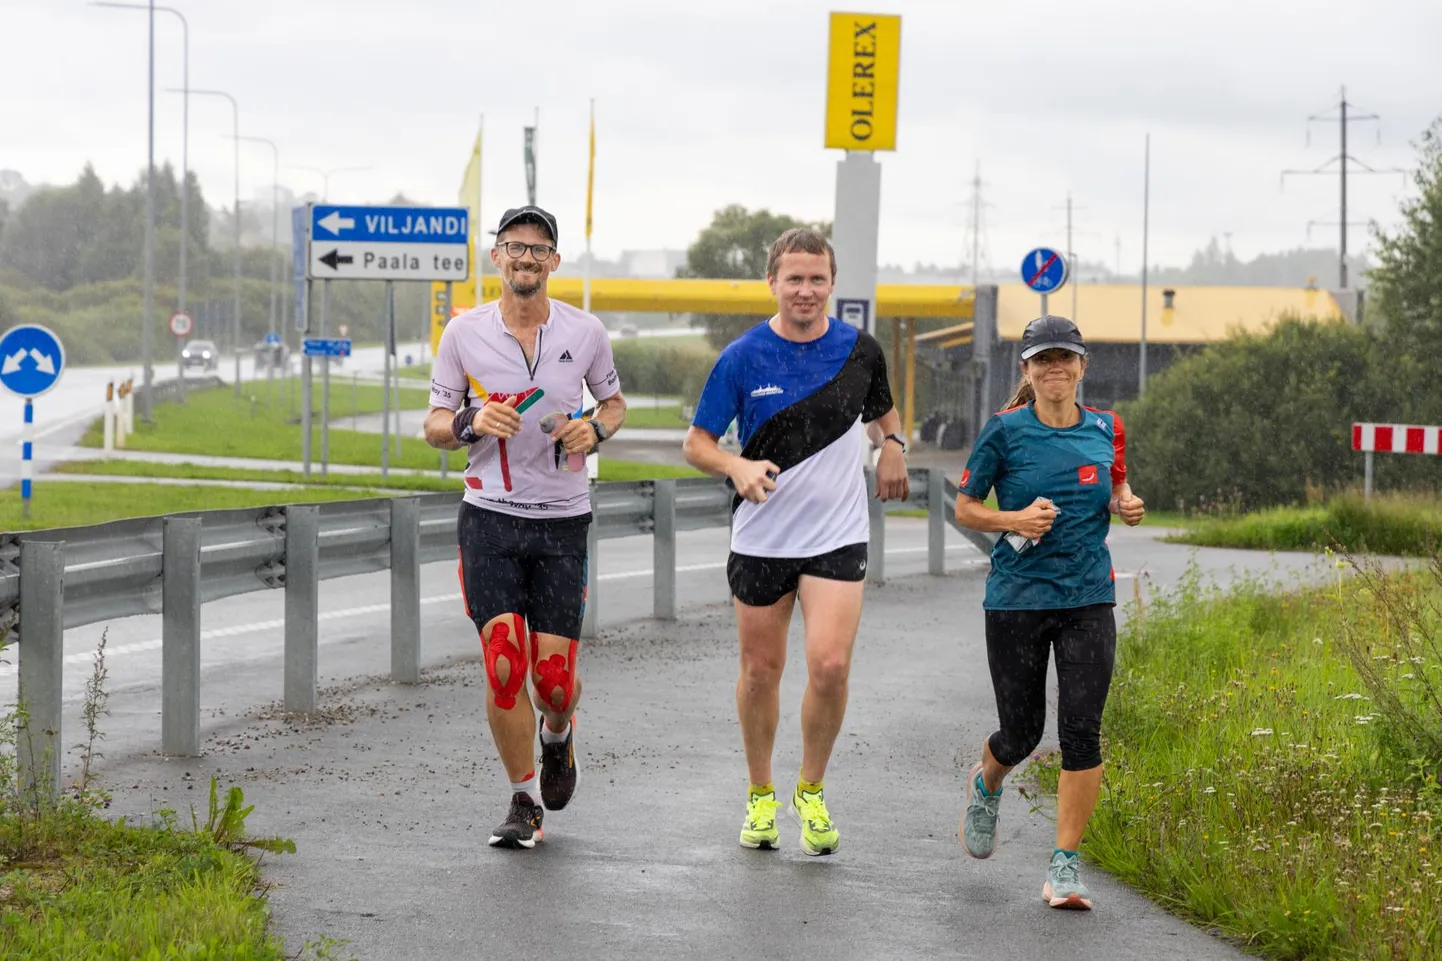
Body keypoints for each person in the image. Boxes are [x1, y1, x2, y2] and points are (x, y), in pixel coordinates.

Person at [682, 227, 911, 857]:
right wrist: (735, 466)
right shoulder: (743, 356)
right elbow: (697, 441)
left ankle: (810, 791)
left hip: (837, 534)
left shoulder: (861, 351)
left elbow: (885, 414)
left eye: (817, 279)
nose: (805, 290)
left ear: (832, 284)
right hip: (762, 537)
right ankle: (761, 795)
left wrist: (893, 446)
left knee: (831, 666)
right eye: (794, 279)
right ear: (773, 283)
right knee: (761, 672)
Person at [424, 205, 628, 850]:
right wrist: (469, 424)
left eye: (538, 251)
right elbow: (433, 425)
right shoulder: (464, 334)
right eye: (514, 248)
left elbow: (615, 403)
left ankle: (558, 738)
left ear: (554, 263)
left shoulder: (586, 331)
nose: (525, 260)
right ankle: (523, 798)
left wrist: (593, 428)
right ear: (497, 257)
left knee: (555, 684)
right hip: (489, 517)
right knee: (505, 663)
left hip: (563, 521)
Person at [952, 314, 1145, 908]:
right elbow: (965, 508)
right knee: (1023, 731)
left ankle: (1064, 865)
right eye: (1043, 359)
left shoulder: (1107, 428)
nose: (1054, 368)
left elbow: (1115, 487)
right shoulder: (1004, 432)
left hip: (1088, 596)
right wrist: (1014, 519)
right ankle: (988, 782)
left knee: (1082, 730)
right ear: (1027, 370)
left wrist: (1126, 502)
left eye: (1065, 358)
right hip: (1017, 599)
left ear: (1082, 366)